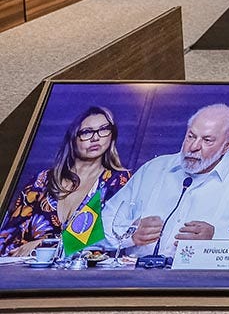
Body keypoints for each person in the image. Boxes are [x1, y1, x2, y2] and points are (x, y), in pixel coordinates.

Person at [102, 104, 229, 258]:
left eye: (207, 140)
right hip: (136, 281)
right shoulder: (153, 169)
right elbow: (99, 226)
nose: (193, 147)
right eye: (191, 136)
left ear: (228, 145)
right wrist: (130, 234)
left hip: (205, 286)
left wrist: (216, 238)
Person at [0, 107, 131, 256]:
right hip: (32, 273)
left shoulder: (120, 181)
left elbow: (114, 238)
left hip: (88, 276)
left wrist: (45, 244)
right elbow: (7, 240)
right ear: (73, 137)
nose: (96, 138)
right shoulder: (41, 181)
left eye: (103, 129)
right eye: (87, 132)